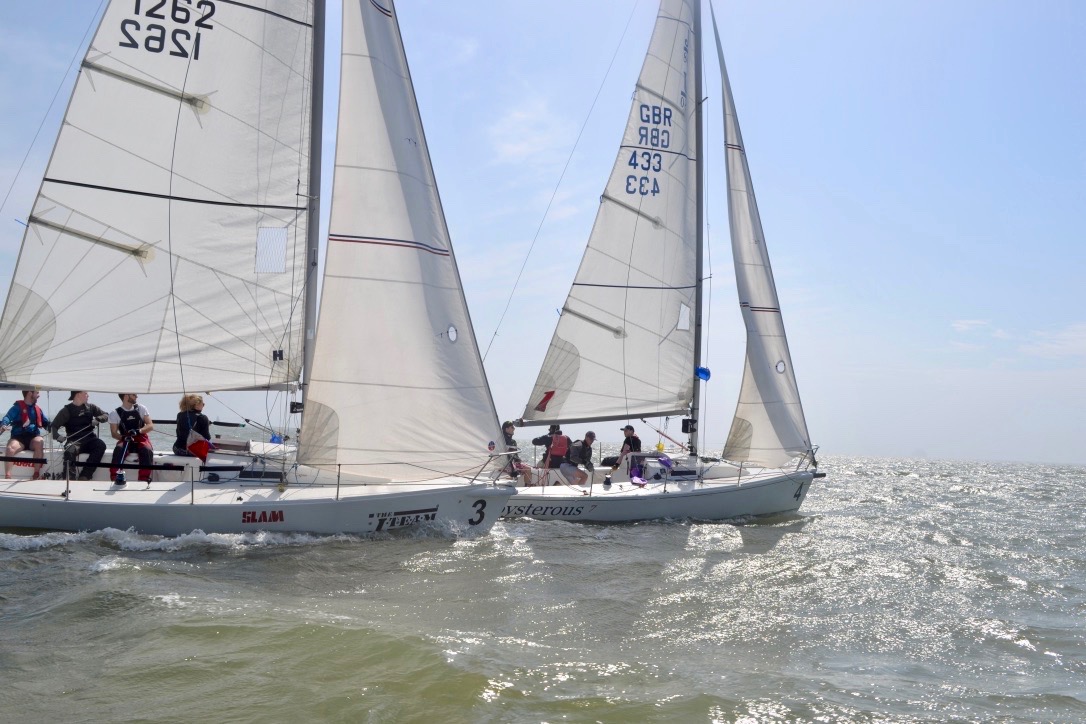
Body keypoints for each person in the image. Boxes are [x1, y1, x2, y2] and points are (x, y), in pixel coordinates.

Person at [50, 391, 109, 480]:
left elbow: (106, 415)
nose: (88, 395)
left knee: (101, 445)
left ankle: (85, 475)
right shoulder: (66, 410)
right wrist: (58, 436)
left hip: (90, 439)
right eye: (85, 393)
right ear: (78, 394)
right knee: (69, 451)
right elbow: (53, 427)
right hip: (74, 441)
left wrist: (98, 419)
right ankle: (69, 478)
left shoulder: (91, 407)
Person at [0, 390, 50, 479]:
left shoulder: (38, 409)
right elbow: (7, 417)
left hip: (33, 438)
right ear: (30, 393)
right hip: (18, 438)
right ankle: (7, 476)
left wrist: (54, 428)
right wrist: (4, 424)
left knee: (39, 442)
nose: (39, 395)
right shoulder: (17, 407)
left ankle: (36, 474)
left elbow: (46, 423)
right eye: (37, 393)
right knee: (10, 448)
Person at [109, 393, 154, 486]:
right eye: (134, 395)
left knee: (147, 450)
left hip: (141, 437)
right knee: (118, 449)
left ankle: (144, 479)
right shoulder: (114, 413)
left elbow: (150, 425)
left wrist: (139, 431)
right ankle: (115, 477)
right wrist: (123, 437)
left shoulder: (141, 408)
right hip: (126, 438)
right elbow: (114, 433)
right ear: (126, 396)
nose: (136, 397)